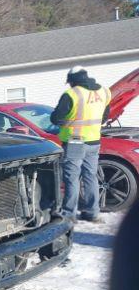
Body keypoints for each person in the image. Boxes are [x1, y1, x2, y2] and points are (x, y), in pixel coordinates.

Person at [51, 66, 111, 222]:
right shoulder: (103, 92)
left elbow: (56, 118)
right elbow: (105, 115)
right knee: (90, 176)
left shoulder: (72, 94)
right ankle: (92, 213)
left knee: (72, 177)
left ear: (72, 80)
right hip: (94, 140)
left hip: (75, 141)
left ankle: (69, 214)